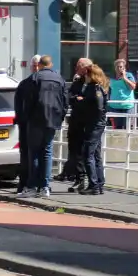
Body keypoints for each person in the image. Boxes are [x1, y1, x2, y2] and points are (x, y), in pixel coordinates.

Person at [25, 55, 69, 198]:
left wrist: (27, 118)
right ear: (51, 64)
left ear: (40, 65)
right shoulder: (59, 79)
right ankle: (45, 186)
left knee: (34, 152)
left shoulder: (35, 78)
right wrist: (60, 117)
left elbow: (28, 100)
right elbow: (65, 101)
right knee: (47, 151)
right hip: (53, 120)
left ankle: (32, 186)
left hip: (36, 120)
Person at [75, 64, 109, 195]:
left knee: (87, 153)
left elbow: (98, 107)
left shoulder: (95, 88)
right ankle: (99, 183)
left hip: (94, 124)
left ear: (91, 75)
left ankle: (94, 185)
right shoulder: (98, 87)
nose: (85, 76)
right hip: (96, 124)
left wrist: (81, 101)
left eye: (86, 74)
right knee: (95, 154)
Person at [57, 58, 92, 187]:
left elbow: (93, 100)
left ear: (85, 67)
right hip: (76, 120)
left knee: (85, 152)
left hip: (87, 122)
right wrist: (77, 99)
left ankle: (88, 180)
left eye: (78, 66)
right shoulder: (77, 82)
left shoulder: (94, 82)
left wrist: (82, 99)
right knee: (74, 150)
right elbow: (69, 96)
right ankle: (78, 178)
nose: (76, 69)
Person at [13, 55, 41, 197]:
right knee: (25, 155)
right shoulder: (24, 84)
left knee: (40, 154)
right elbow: (18, 104)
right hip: (25, 125)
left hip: (40, 125)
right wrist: (20, 120)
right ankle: (24, 183)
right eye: (34, 65)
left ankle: (39, 184)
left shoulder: (45, 83)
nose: (36, 68)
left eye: (38, 65)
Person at [108, 59, 136, 130]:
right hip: (114, 106)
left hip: (127, 106)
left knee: (128, 128)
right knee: (117, 129)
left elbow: (133, 87)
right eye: (117, 67)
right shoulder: (111, 77)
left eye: (121, 67)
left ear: (124, 68)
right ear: (115, 68)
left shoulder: (129, 75)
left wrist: (125, 78)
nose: (119, 68)